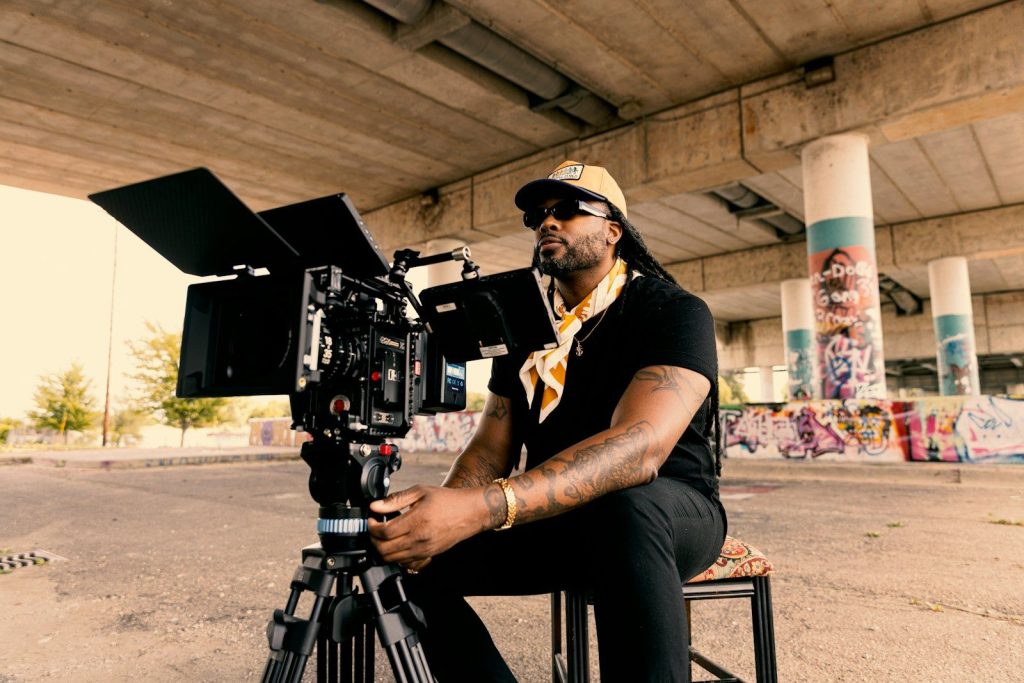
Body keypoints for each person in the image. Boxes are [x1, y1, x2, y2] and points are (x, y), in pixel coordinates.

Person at [369, 160, 727, 682]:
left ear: (613, 231)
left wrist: (486, 507)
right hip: (559, 518)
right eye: (538, 216)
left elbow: (640, 449)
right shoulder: (521, 329)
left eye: (566, 210)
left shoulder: (672, 309)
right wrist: (447, 512)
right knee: (398, 561)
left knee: (625, 509)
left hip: (669, 514)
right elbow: (491, 449)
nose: (547, 223)